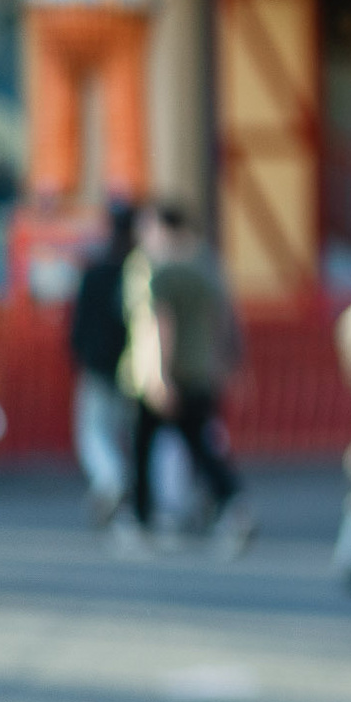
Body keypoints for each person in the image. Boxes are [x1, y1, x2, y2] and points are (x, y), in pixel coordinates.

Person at [120, 203, 249, 555]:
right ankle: (231, 504)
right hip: (200, 370)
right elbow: (224, 319)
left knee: (143, 449)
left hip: (160, 375)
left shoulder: (158, 271)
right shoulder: (206, 267)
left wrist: (159, 375)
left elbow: (160, 324)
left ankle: (141, 519)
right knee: (201, 446)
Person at [68, 202, 140, 525]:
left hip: (98, 363)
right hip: (131, 364)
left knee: (94, 432)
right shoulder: (138, 271)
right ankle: (124, 484)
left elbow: (80, 322)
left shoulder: (96, 271)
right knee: (128, 430)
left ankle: (111, 480)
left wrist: (79, 352)